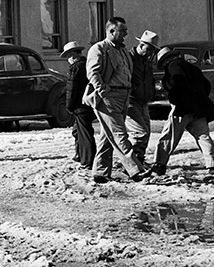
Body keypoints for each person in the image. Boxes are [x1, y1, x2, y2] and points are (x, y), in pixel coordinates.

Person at [84, 17, 149, 183]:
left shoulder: (122, 51)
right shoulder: (99, 49)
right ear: (111, 31)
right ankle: (135, 170)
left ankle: (100, 172)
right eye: (123, 31)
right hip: (108, 98)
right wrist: (103, 90)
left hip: (123, 96)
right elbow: (93, 73)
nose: (126, 34)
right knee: (120, 134)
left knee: (108, 135)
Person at [152, 47, 214, 179]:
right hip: (198, 109)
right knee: (203, 137)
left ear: (166, 59)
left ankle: (159, 165)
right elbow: (206, 84)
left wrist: (175, 100)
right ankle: (213, 166)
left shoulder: (173, 66)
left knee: (169, 137)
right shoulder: (192, 67)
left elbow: (177, 82)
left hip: (182, 108)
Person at [127, 30, 159, 168]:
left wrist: (151, 92)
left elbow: (150, 79)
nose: (151, 52)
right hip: (131, 101)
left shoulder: (147, 61)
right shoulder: (129, 59)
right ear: (141, 44)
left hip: (143, 101)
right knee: (140, 133)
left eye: (153, 49)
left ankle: (138, 160)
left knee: (146, 133)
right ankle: (132, 164)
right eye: (149, 48)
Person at [62, 40, 94, 169]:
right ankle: (80, 155)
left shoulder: (75, 68)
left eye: (67, 56)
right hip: (88, 103)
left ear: (73, 55)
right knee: (78, 131)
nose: (67, 59)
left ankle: (87, 159)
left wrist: (69, 106)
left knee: (84, 134)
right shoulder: (87, 65)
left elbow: (72, 89)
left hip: (79, 106)